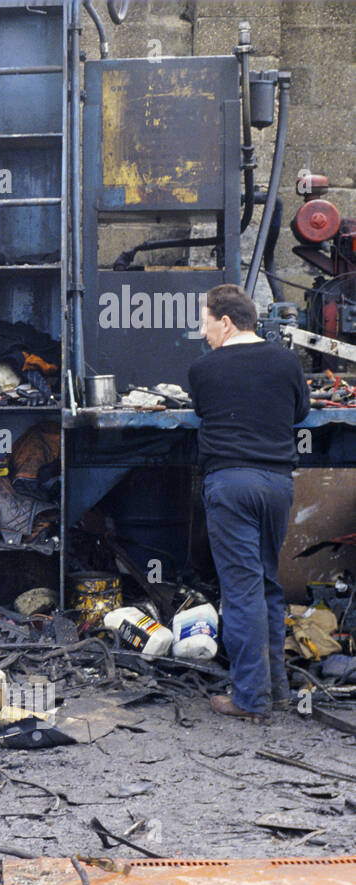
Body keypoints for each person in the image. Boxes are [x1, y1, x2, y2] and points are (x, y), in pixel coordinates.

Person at [188, 283, 310, 721]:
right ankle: (275, 690)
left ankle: (250, 700)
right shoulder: (287, 361)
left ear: (225, 321)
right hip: (277, 484)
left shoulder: (204, 369)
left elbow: (202, 411)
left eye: (205, 322)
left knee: (241, 593)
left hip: (231, 485)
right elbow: (300, 413)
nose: (204, 333)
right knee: (267, 585)